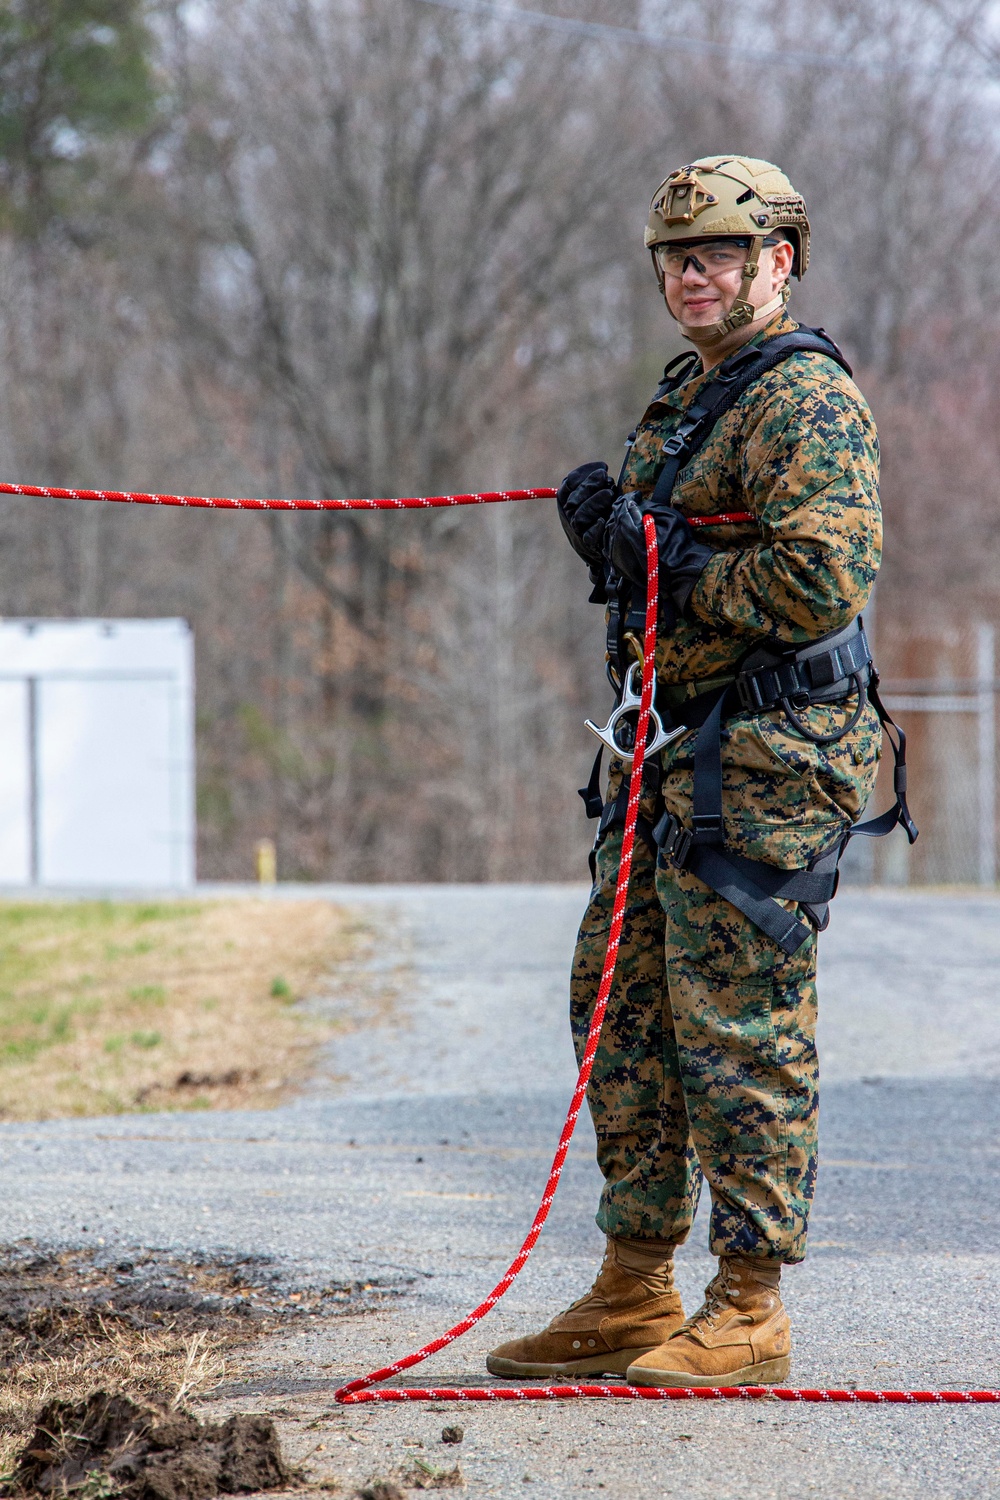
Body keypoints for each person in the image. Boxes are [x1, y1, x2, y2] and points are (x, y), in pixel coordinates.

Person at [487, 155, 910, 1388]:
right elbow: (663, 561)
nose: (692, 275)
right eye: (676, 258)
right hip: (670, 749)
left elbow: (817, 582)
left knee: (739, 1029)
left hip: (768, 755)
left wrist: (659, 554)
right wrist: (615, 541)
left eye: (719, 253)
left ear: (779, 260)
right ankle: (633, 1285)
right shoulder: (691, 393)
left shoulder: (805, 401)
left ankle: (749, 1304)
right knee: (616, 1008)